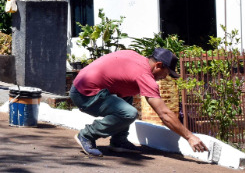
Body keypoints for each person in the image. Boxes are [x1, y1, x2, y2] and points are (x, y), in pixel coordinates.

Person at [69, 48, 208, 157]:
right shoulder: (144, 75)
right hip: (84, 94)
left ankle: (119, 141)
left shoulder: (137, 58)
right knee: (129, 113)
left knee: (127, 95)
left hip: (84, 85)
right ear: (158, 65)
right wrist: (190, 136)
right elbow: (164, 113)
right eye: (166, 73)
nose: (165, 77)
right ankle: (87, 135)